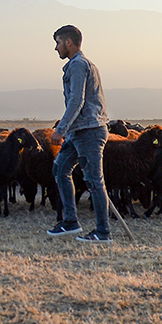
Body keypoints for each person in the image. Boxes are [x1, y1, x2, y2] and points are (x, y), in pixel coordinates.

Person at [46, 25, 111, 243]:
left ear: (69, 42)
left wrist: (60, 130)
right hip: (79, 131)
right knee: (60, 168)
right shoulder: (81, 64)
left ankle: (103, 232)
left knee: (94, 181)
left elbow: (77, 100)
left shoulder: (78, 65)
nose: (56, 48)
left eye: (58, 43)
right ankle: (71, 222)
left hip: (89, 131)